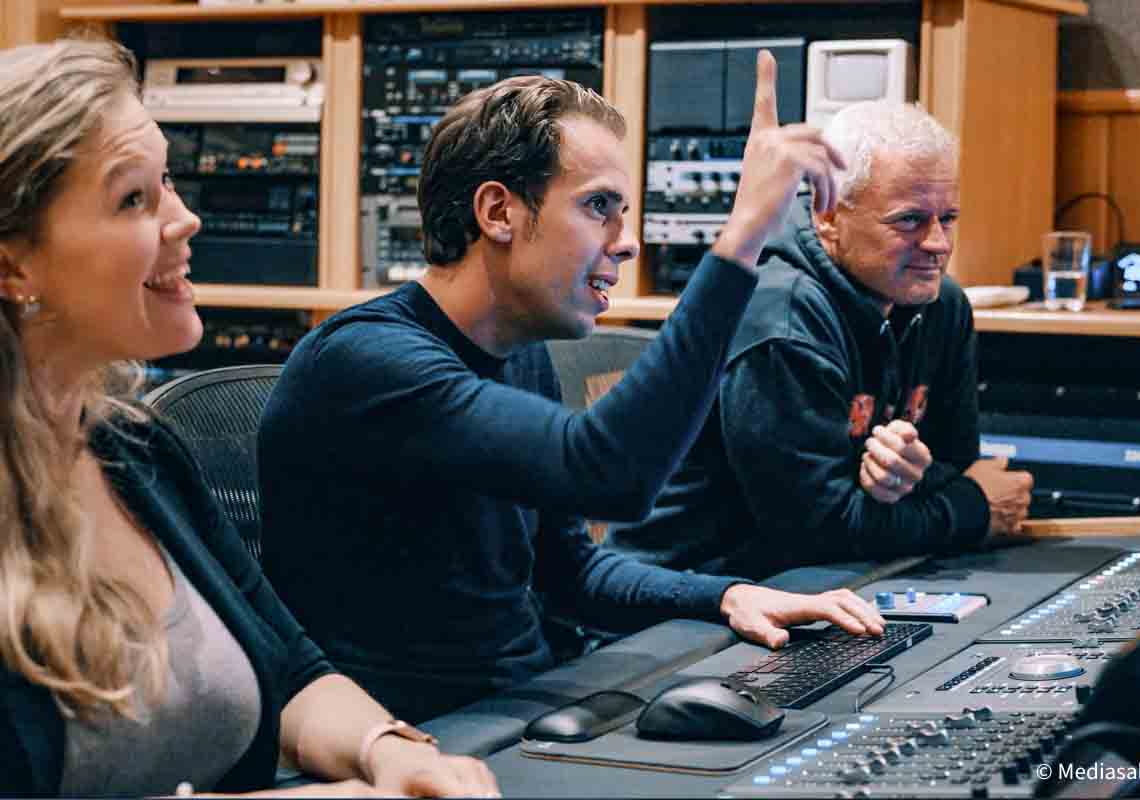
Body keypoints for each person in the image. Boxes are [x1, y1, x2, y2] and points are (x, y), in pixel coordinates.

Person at [258, 53, 886, 724]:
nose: (628, 243)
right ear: (498, 211)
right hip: (416, 739)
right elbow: (609, 474)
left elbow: (569, 571)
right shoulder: (366, 363)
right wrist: (742, 238)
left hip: (519, 708)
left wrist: (728, 596)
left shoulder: (518, 350)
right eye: (598, 207)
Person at [0, 38, 496, 797]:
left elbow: (291, 668)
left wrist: (390, 752)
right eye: (133, 199)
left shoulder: (135, 452)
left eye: (168, 181)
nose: (185, 219)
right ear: (13, 265)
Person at [605, 101, 1034, 580]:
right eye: (910, 220)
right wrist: (972, 508)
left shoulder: (942, 306)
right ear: (828, 214)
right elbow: (818, 532)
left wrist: (912, 478)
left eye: (948, 218)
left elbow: (955, 465)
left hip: (826, 574)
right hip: (695, 589)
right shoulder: (782, 319)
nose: (938, 243)